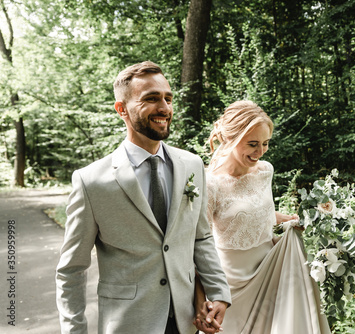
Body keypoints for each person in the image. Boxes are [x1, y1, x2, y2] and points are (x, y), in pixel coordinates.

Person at [55, 61, 231, 334]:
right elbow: (71, 270)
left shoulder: (193, 165)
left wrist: (218, 291)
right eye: (151, 99)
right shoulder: (91, 181)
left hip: (186, 322)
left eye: (168, 98)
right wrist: (74, 330)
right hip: (128, 324)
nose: (164, 107)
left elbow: (201, 236)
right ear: (121, 109)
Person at [195, 100, 330, 333]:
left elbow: (260, 212)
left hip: (271, 271)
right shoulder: (210, 183)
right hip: (231, 285)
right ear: (231, 139)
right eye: (253, 144)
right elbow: (198, 244)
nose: (260, 152)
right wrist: (199, 299)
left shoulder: (265, 170)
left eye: (266, 143)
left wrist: (298, 219)